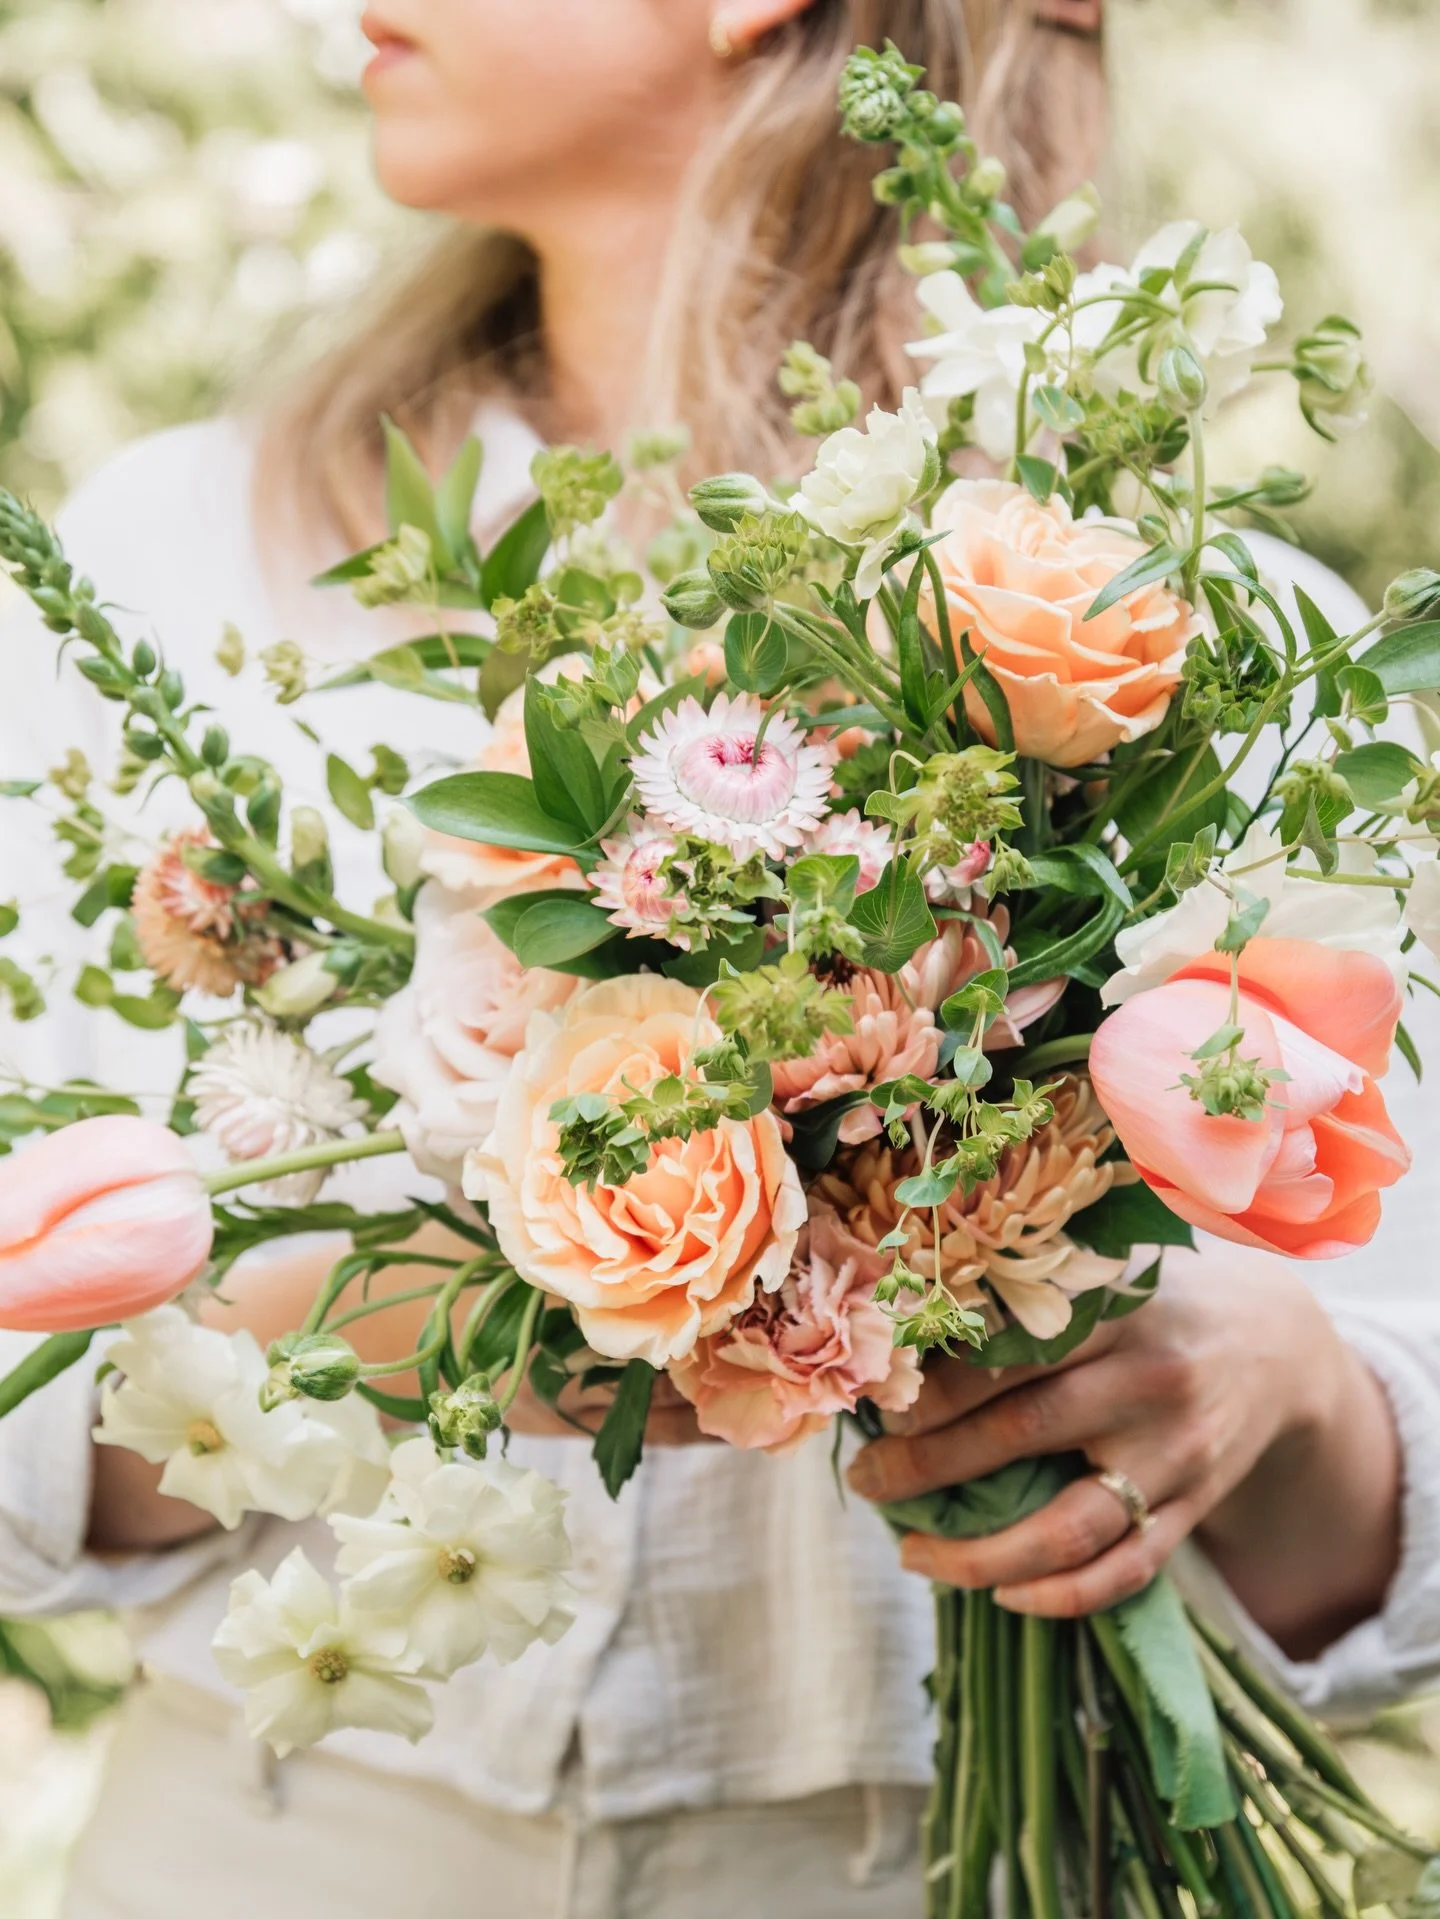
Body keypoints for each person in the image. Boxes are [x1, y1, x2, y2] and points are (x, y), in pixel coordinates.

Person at [0, 2, 1438, 1914]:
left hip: (955, 1867)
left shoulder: (1176, 622)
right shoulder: (182, 554)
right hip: (285, 1850)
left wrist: (1281, 1401)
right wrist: (406, 1312)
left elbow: (1395, 1532)